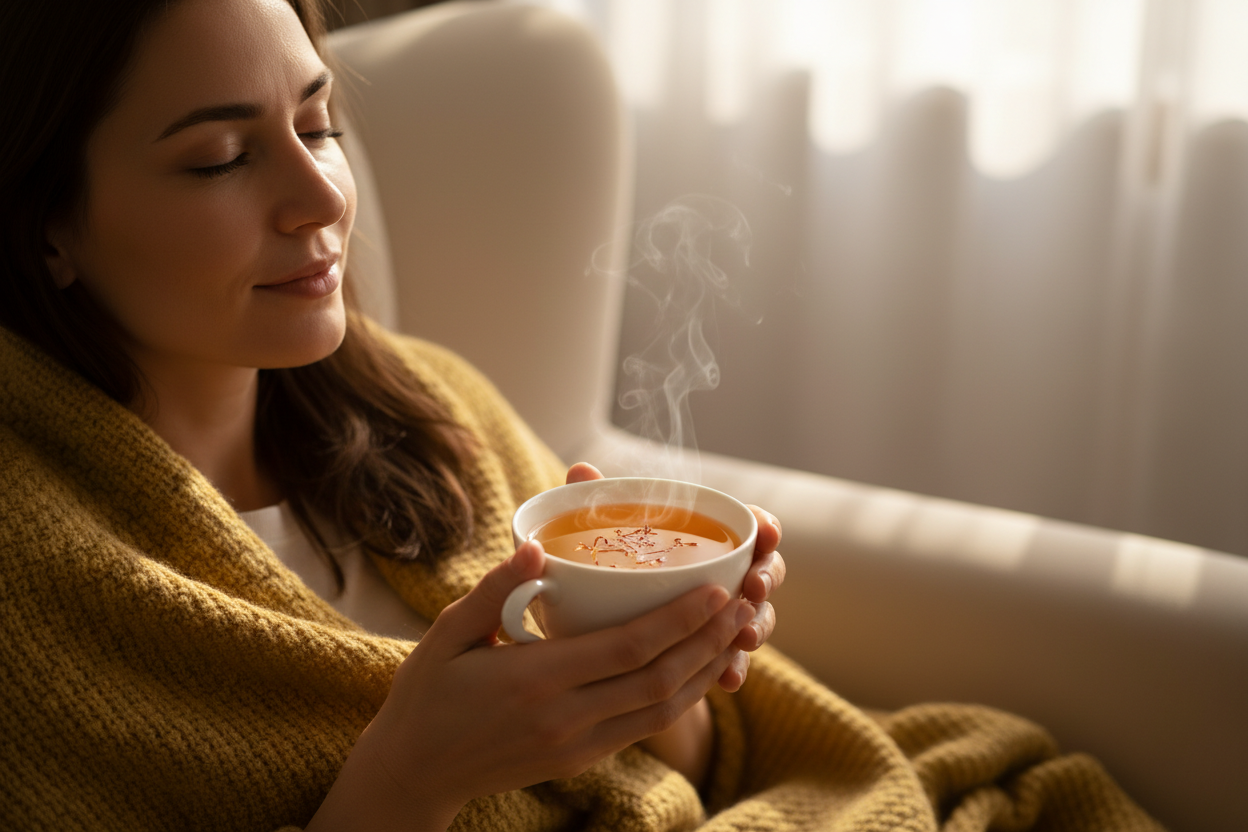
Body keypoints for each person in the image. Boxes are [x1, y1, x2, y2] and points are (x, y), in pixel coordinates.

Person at [0, 0, 1163, 830]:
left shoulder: (433, 409)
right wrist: (407, 778)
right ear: (50, 223)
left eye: (317, 124)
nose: (318, 198)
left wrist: (663, 672)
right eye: (218, 158)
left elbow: (679, 782)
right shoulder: (33, 587)